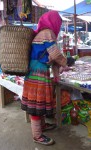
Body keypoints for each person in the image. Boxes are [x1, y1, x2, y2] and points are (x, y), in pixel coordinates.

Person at [21, 10, 67, 145]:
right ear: (54, 22)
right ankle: (37, 136)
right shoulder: (48, 33)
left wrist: (58, 72)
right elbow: (55, 53)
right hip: (38, 72)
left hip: (34, 70)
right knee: (36, 103)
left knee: (37, 102)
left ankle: (41, 127)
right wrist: (65, 63)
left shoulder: (41, 33)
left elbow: (51, 57)